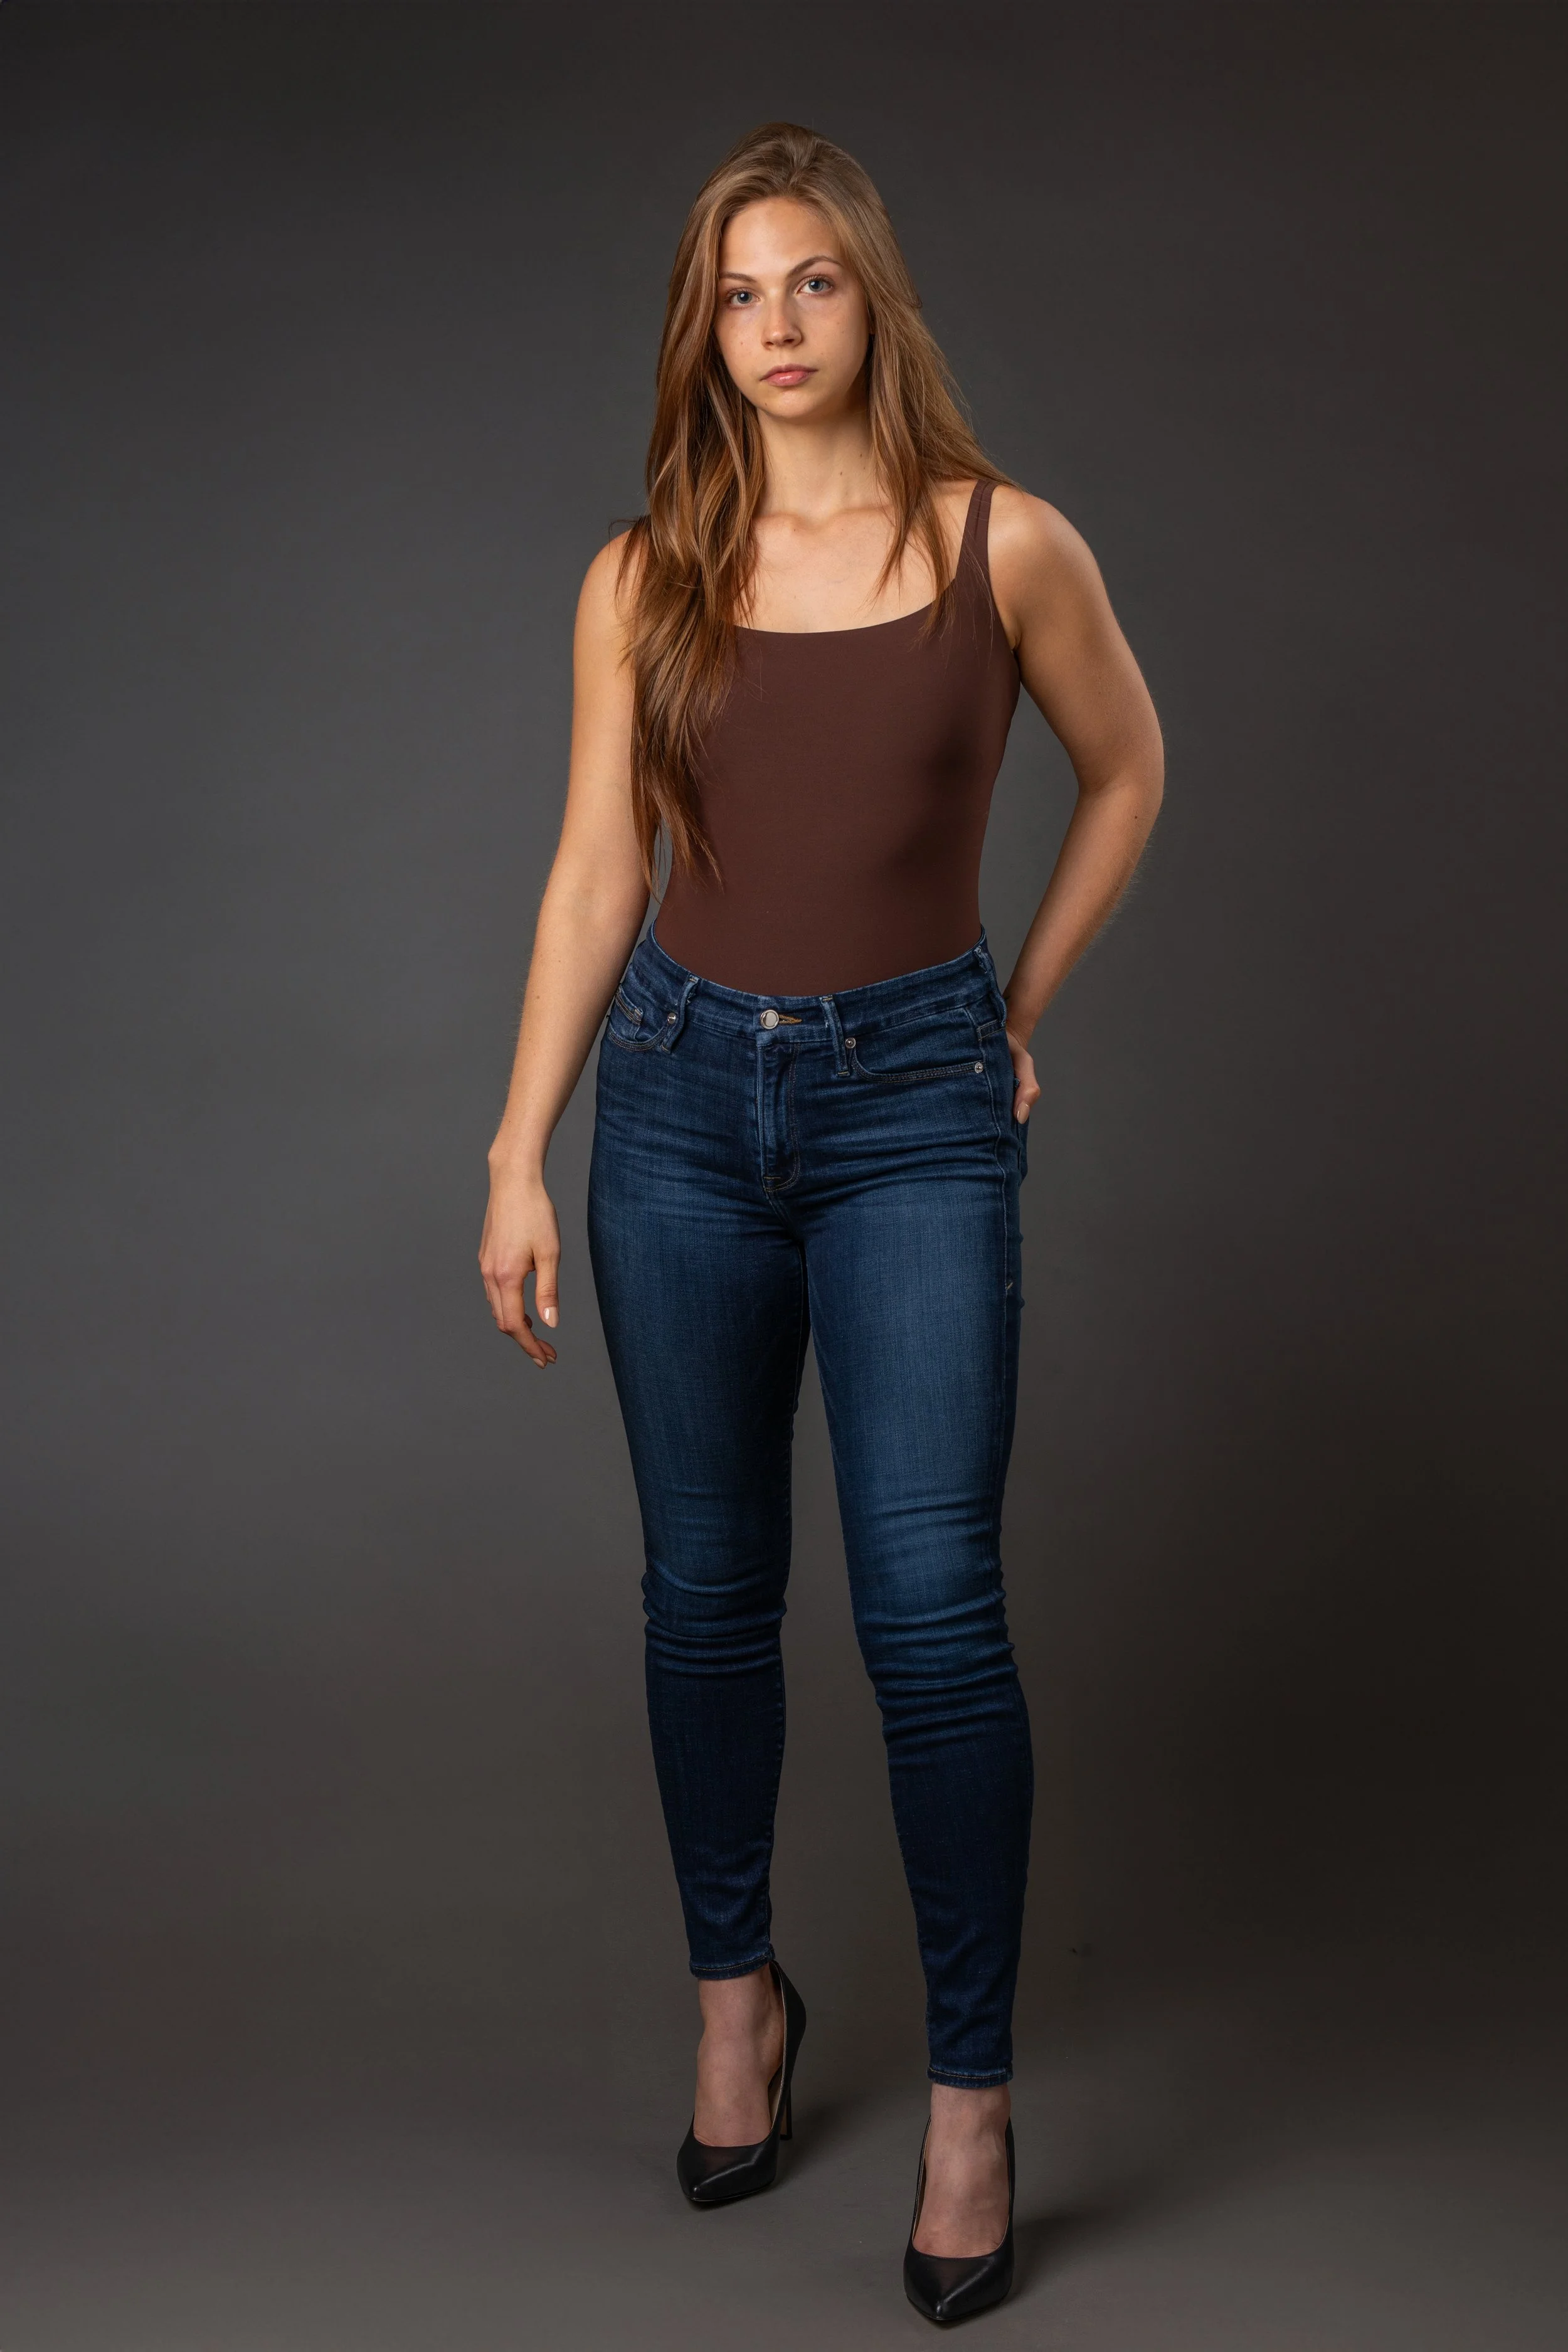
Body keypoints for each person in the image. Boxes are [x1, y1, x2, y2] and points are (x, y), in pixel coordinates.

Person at [479, 120, 1163, 2326]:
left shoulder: (1004, 543)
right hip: (674, 1105)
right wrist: (515, 1147)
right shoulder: (640, 571)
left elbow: (1129, 766)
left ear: (876, 301)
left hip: (916, 1113)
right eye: (734, 294)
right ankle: (731, 2001)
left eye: (811, 287)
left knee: (934, 1613)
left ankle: (969, 2098)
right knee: (704, 1593)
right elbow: (598, 870)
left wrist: (1012, 1005)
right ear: (704, 325)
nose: (772, 330)